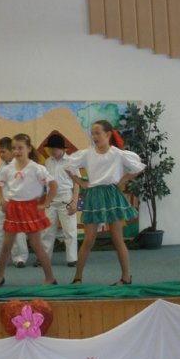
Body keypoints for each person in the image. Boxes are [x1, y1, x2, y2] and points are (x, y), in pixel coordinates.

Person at [66, 120, 145, 286]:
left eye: (98, 133)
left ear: (108, 134)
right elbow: (68, 166)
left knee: (117, 239)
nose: (94, 136)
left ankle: (126, 277)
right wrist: (80, 182)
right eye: (93, 134)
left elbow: (138, 168)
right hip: (94, 195)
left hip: (111, 195)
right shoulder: (87, 154)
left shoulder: (117, 154)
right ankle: (77, 278)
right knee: (88, 240)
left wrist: (122, 180)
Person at [0, 133, 58, 288]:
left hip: (30, 208)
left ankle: (50, 278)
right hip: (14, 208)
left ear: (28, 148)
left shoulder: (37, 168)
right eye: (14, 148)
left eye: (20, 148)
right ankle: (0, 276)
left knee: (36, 245)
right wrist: (2, 200)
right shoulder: (7, 169)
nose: (17, 151)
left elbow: (53, 185)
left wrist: (46, 203)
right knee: (6, 245)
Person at [0, 137, 29, 268]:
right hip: (2, 204)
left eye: (3, 152)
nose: (1, 155)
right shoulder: (1, 166)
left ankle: (20, 258)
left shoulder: (20, 165)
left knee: (18, 233)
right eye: (0, 152)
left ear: (12, 151)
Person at [38, 134, 79, 267]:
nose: (51, 151)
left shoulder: (71, 161)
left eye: (54, 148)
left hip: (66, 197)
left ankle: (72, 259)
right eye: (50, 148)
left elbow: (77, 183)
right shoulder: (48, 162)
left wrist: (74, 202)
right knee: (47, 231)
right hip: (51, 198)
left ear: (62, 148)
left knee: (70, 230)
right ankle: (45, 258)